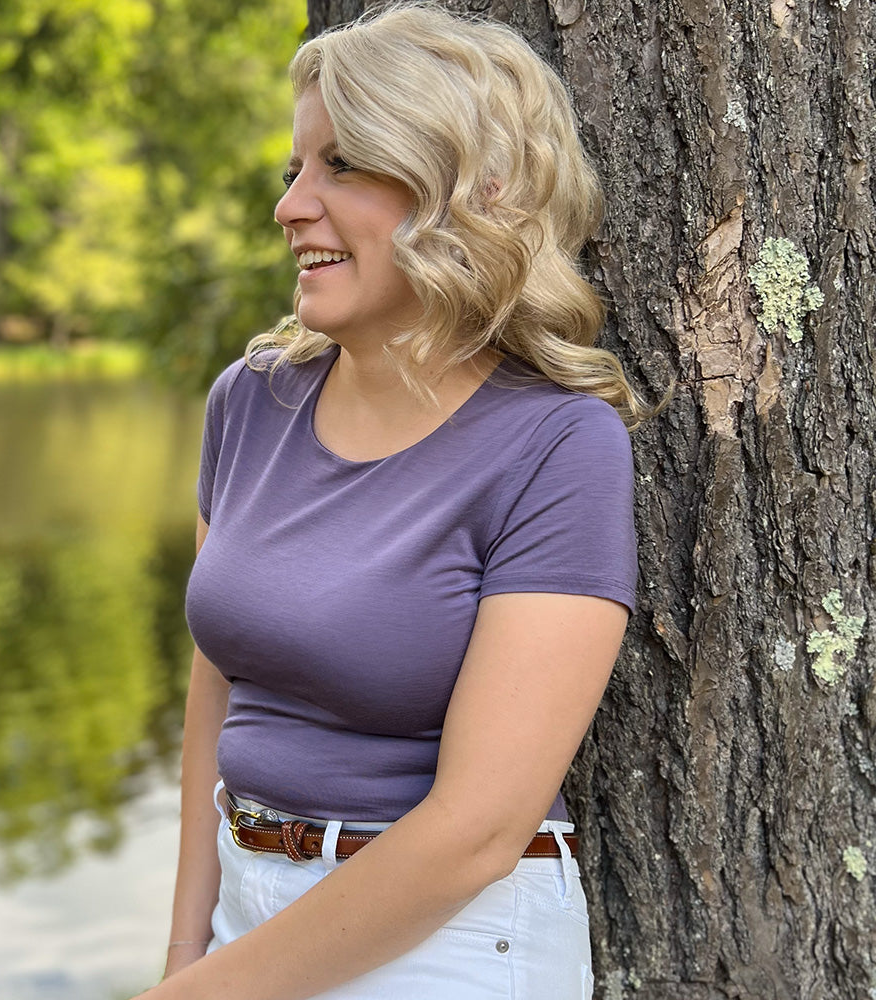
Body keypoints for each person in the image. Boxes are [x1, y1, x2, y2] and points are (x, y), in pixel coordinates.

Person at [134, 4, 656, 998]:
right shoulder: (252, 401)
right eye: (293, 170)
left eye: (341, 166)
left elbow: (476, 832)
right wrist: (185, 952)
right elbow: (218, 692)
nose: (290, 206)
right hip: (247, 915)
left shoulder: (555, 443)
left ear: (472, 189)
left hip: (448, 944)